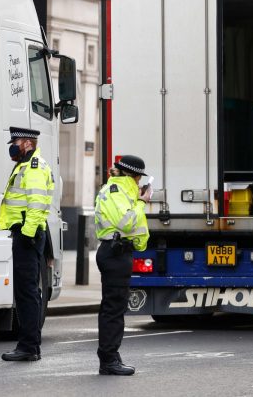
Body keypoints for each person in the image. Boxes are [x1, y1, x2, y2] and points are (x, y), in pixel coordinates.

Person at [0, 127, 54, 362]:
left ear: (28, 144)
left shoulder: (33, 167)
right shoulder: (26, 165)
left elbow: (37, 203)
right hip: (25, 234)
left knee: (27, 292)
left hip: (27, 235)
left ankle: (29, 346)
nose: (13, 146)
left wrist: (27, 234)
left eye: (16, 142)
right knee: (26, 291)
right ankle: (30, 345)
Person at [94, 155, 151, 376]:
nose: (139, 183)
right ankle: (108, 360)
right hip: (114, 253)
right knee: (113, 309)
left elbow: (136, 229)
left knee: (114, 308)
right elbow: (126, 222)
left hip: (117, 252)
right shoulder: (117, 191)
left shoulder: (120, 190)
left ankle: (110, 357)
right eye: (138, 178)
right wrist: (142, 202)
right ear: (133, 176)